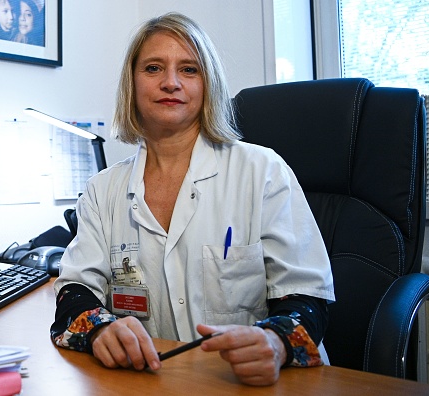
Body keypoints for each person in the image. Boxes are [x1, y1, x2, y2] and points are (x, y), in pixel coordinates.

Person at [50, 12, 335, 386]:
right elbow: (75, 293)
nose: (171, 83)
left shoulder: (262, 171)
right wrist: (101, 330)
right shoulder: (103, 190)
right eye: (153, 68)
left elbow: (307, 298)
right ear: (132, 84)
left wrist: (275, 342)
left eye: (189, 69)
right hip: (151, 381)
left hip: (255, 384)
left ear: (208, 83)